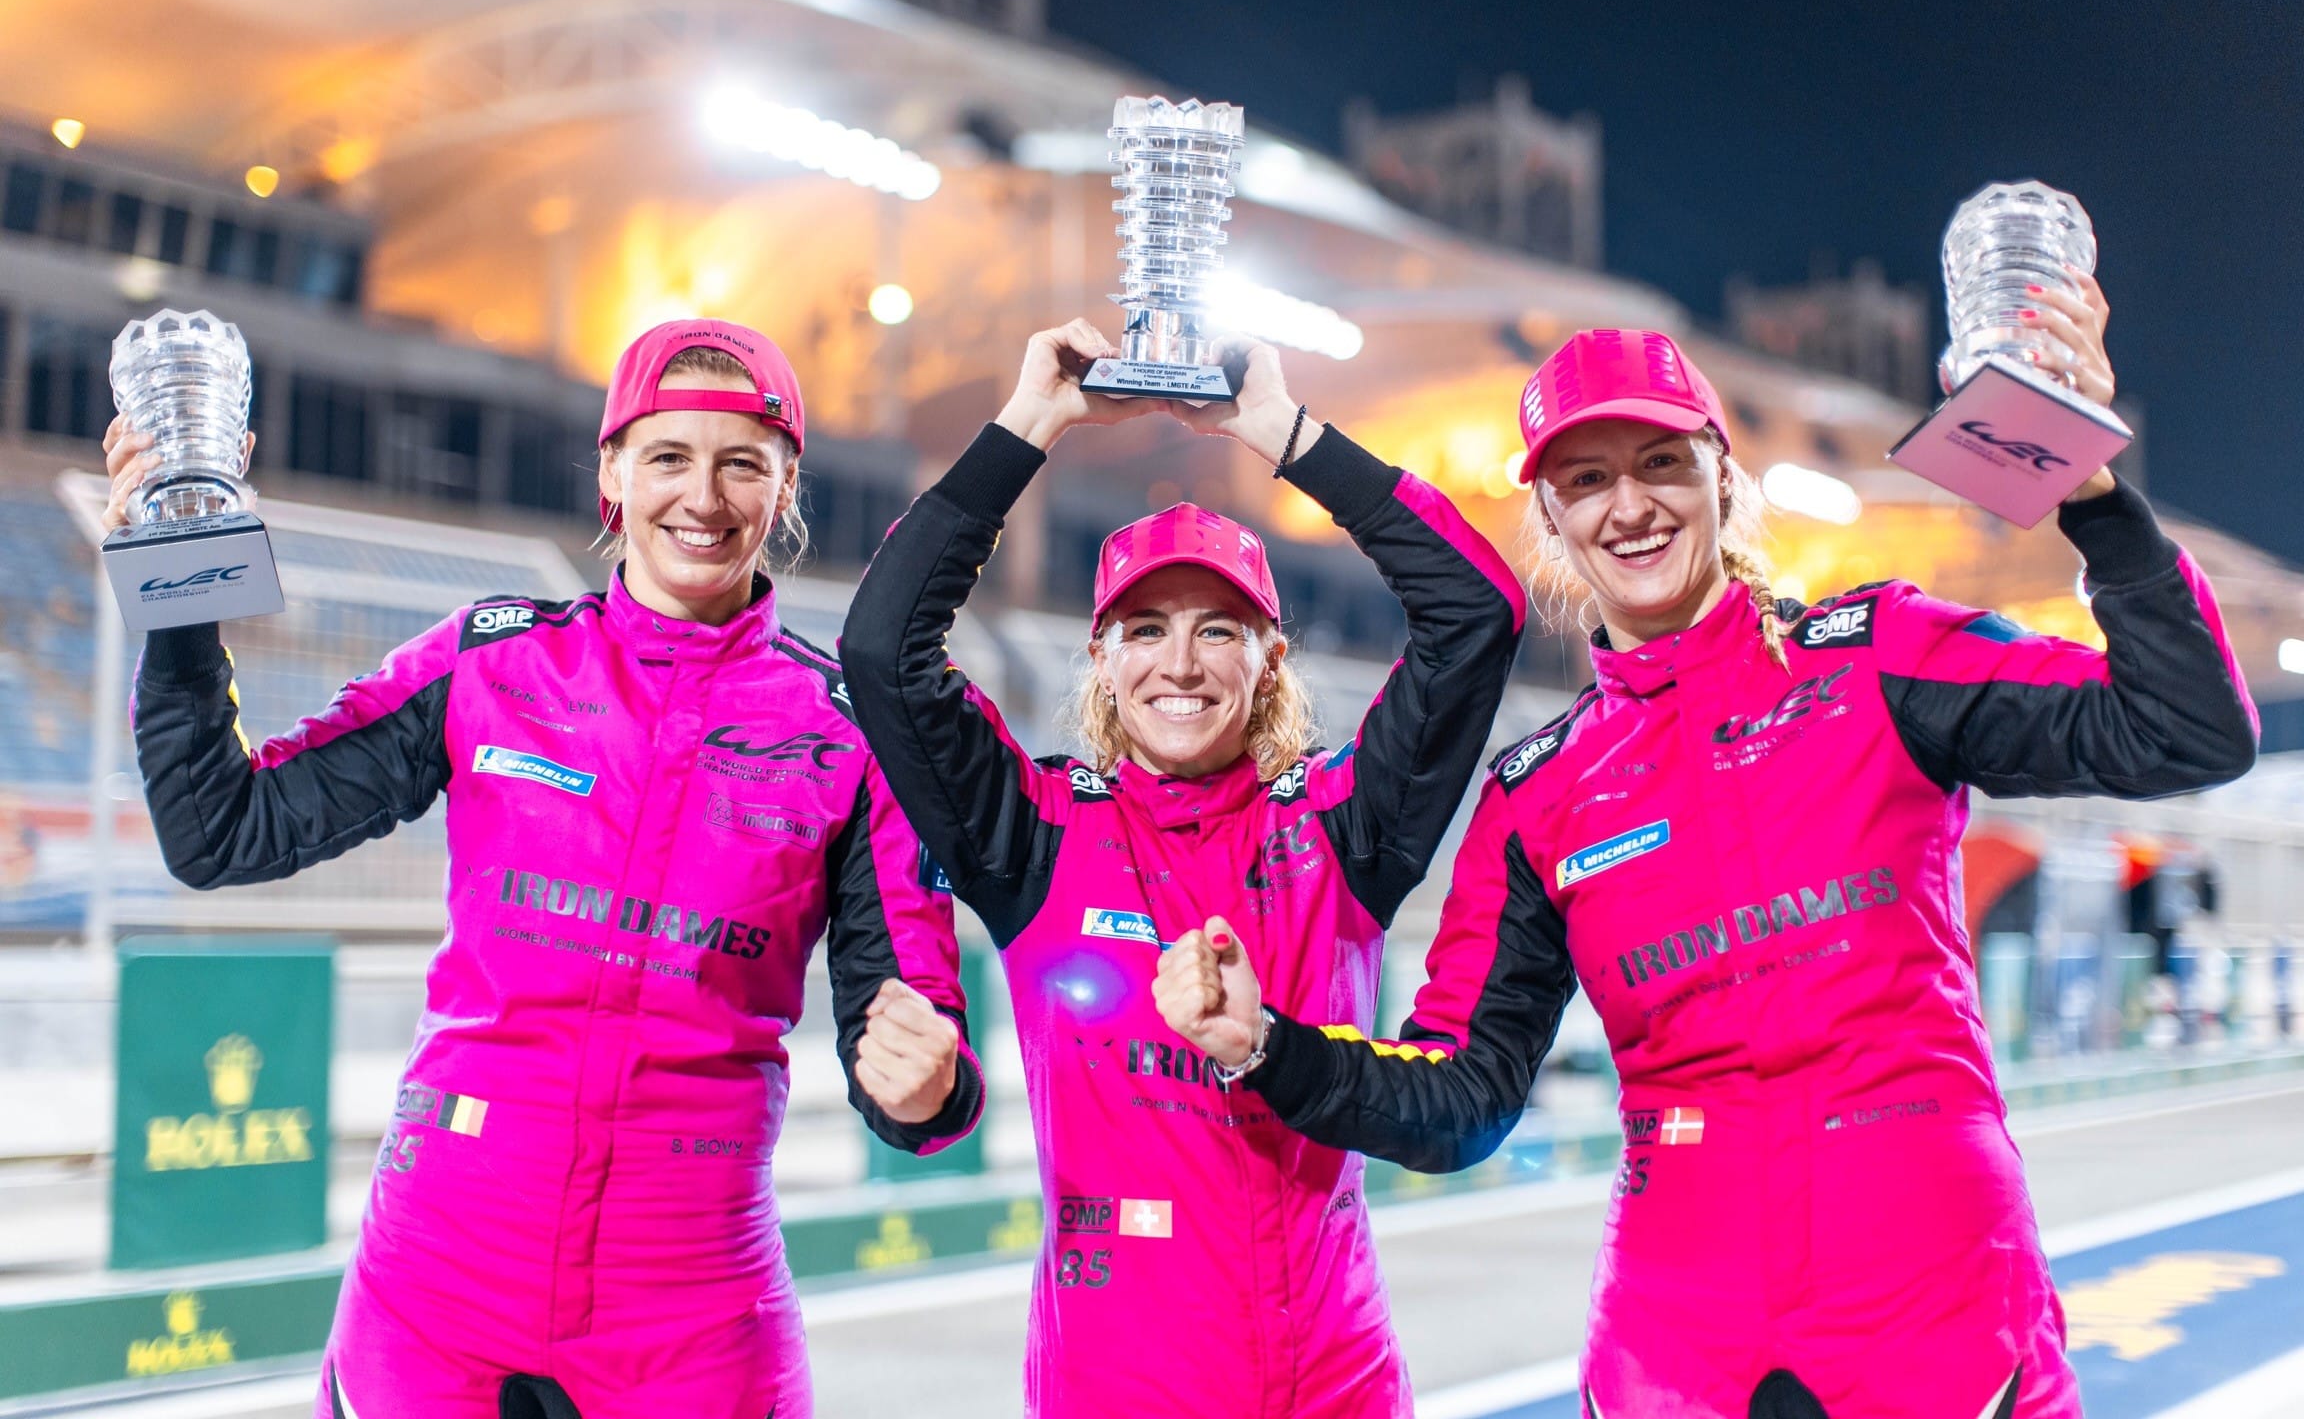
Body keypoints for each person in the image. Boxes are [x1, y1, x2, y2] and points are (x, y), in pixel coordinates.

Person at [1156, 306, 2258, 1418]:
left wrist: (2083, 484)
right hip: (1681, 1345)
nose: (1629, 506)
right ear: (1552, 517)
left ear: (1723, 478)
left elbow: (2187, 728)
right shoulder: (1538, 794)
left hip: (1935, 1311)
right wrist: (1268, 1048)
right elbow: (1464, 1101)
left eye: (1660, 463)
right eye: (1586, 480)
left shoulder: (1880, 658)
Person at [112, 319, 984, 1419]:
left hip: (693, 1308)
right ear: (612, 472)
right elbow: (220, 830)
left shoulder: (849, 731)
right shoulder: (488, 660)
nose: (702, 498)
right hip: (436, 1287)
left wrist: (930, 1085)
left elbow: (909, 1044)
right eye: (668, 457)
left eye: (741, 464)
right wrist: (180, 572)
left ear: (785, 489)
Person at [838, 321, 1528, 1418]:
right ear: (1103, 662)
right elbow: (882, 650)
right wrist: (1031, 424)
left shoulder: (1345, 827)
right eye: (1146, 629)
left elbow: (1476, 612)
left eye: (1219, 630)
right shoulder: (1034, 833)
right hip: (1110, 1390)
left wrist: (1286, 435)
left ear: (1269, 661)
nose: (1181, 664)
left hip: (1334, 1385)